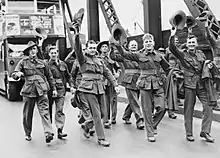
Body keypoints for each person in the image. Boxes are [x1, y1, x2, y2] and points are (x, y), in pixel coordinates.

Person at [113, 33, 170, 142]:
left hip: (157, 83)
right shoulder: (138, 55)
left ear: (153, 43)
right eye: (146, 42)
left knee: (162, 107)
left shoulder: (159, 56)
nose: (148, 43)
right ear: (143, 44)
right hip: (144, 83)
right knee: (147, 109)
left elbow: (167, 68)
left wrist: (174, 74)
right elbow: (124, 54)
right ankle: (150, 133)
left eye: (150, 41)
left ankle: (152, 125)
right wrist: (118, 45)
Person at [73, 29, 120, 147]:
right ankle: (101, 138)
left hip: (100, 88)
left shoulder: (99, 60)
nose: (93, 50)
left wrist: (115, 84)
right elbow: (77, 48)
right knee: (97, 114)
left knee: (104, 113)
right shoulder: (82, 59)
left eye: (94, 48)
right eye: (91, 48)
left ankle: (87, 125)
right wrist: (77, 34)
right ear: (86, 49)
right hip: (87, 89)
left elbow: (107, 73)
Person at [169, 27, 215, 143]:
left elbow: (204, 64)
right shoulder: (182, 54)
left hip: (201, 84)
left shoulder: (201, 54)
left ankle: (205, 131)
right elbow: (172, 48)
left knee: (208, 105)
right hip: (189, 84)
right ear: (187, 44)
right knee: (189, 109)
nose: (191, 44)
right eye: (189, 42)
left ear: (196, 44)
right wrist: (173, 35)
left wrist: (208, 66)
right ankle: (189, 133)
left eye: (193, 42)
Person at [12, 41, 57, 143]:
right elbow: (14, 74)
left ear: (37, 50)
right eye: (31, 49)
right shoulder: (23, 62)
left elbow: (49, 77)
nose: (33, 51)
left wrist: (53, 89)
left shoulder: (43, 63)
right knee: (28, 114)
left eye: (34, 49)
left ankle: (48, 133)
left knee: (45, 111)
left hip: (42, 89)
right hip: (29, 90)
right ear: (28, 51)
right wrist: (17, 74)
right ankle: (27, 133)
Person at [109, 40, 144, 129]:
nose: (134, 47)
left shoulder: (140, 55)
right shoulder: (125, 55)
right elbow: (113, 57)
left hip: (139, 80)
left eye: (135, 45)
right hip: (129, 81)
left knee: (133, 100)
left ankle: (126, 116)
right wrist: (112, 48)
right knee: (135, 101)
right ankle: (139, 120)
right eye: (132, 45)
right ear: (128, 46)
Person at [47, 46, 74, 139]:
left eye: (55, 53)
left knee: (60, 110)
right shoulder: (46, 65)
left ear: (57, 53)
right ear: (49, 54)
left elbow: (68, 76)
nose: (54, 55)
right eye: (52, 53)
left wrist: (71, 86)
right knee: (48, 110)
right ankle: (49, 131)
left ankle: (60, 130)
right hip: (49, 90)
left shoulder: (63, 64)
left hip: (61, 90)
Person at [97, 41, 121, 128]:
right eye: (103, 47)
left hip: (112, 81)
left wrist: (117, 74)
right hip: (103, 82)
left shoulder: (112, 58)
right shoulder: (98, 59)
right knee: (105, 101)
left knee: (114, 100)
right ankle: (106, 119)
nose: (105, 48)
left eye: (106, 47)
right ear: (100, 49)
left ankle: (113, 118)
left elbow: (118, 68)